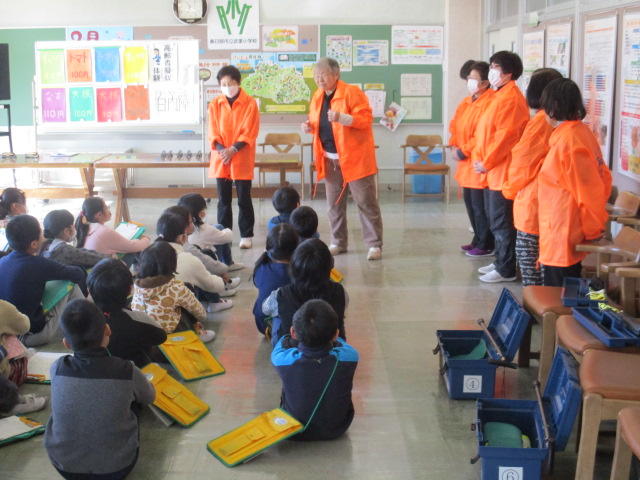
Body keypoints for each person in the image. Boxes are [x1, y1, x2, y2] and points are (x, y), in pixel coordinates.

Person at [44, 299, 155, 480]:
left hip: (65, 467)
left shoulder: (57, 368)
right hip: (118, 468)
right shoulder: (127, 370)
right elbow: (149, 397)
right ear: (107, 330)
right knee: (134, 402)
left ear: (66, 343)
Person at [303, 57, 383, 261]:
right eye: (316, 76)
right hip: (329, 159)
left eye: (323, 75)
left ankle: (374, 244)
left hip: (355, 158)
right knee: (334, 204)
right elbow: (318, 123)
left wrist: (342, 118)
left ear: (336, 74)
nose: (319, 79)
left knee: (365, 202)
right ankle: (338, 242)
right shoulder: (317, 95)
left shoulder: (351, 92)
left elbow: (365, 120)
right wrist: (309, 126)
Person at [537, 78, 612, 286]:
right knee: (564, 286)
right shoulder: (578, 133)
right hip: (560, 226)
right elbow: (603, 178)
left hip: (563, 229)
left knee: (559, 291)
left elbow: (589, 193)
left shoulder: (570, 141)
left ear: (554, 106)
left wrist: (592, 230)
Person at [502, 68, 563, 286]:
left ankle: (535, 304)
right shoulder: (553, 121)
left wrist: (508, 190)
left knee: (532, 267)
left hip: (534, 202)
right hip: (543, 203)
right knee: (540, 266)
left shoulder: (541, 122)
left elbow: (522, 162)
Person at [473, 51, 530, 283]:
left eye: (495, 66)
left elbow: (505, 138)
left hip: (502, 170)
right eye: (491, 66)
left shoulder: (511, 98)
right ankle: (500, 260)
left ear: (508, 72)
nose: (491, 70)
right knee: (495, 219)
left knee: (502, 222)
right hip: (492, 170)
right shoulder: (500, 94)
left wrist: (486, 162)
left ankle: (506, 268)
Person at [271, 299, 358, 441]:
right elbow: (342, 344)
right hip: (337, 428)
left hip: (294, 429)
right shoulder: (350, 357)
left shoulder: (282, 359)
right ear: (336, 334)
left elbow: (281, 344)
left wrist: (289, 338)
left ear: (293, 332)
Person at [0, 215, 86, 347]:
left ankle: (84, 326)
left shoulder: (3, 261)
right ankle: (88, 328)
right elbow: (76, 274)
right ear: (34, 244)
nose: (43, 235)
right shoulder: (37, 263)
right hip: (32, 336)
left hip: (7, 335)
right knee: (70, 285)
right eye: (41, 233)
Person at [208, 65, 260, 249]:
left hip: (241, 155)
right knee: (223, 200)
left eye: (230, 83)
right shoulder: (215, 104)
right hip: (221, 157)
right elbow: (213, 131)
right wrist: (223, 150)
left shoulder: (250, 103)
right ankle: (224, 234)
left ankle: (246, 235)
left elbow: (250, 131)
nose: (227, 87)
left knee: (244, 198)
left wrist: (233, 149)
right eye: (223, 84)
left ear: (238, 83)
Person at [448, 61, 495, 257]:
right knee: (470, 204)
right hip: (465, 165)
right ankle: (477, 239)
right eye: (469, 78)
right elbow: (455, 126)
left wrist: (464, 150)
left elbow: (483, 135)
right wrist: (454, 145)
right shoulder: (467, 102)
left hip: (477, 161)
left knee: (480, 207)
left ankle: (486, 243)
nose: (469, 82)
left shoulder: (490, 103)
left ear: (485, 82)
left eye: (473, 79)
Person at [263, 238, 347, 345]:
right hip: (331, 346)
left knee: (276, 316)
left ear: (293, 267)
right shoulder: (339, 291)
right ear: (330, 267)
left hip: (294, 348)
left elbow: (265, 309)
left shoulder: (282, 294)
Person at [87, 259, 167, 367]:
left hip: (99, 368)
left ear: (89, 290)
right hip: (135, 369)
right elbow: (161, 337)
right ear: (130, 290)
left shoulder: (82, 318)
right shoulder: (137, 319)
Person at [131, 241, 213, 342]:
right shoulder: (175, 287)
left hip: (145, 338)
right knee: (184, 299)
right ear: (171, 263)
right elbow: (201, 313)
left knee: (173, 303)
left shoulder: (137, 286)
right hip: (170, 337)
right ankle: (197, 332)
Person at [155, 210, 234, 314]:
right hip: (177, 316)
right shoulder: (186, 257)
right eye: (191, 221)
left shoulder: (151, 253)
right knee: (203, 270)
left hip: (150, 314)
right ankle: (215, 301)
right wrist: (223, 282)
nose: (193, 223)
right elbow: (210, 283)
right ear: (182, 237)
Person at [253, 223, 299, 335]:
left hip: (262, 323)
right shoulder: (299, 271)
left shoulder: (261, 265)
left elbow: (257, 283)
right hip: (286, 327)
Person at [178, 193, 243, 271]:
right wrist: (226, 230)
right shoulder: (204, 229)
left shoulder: (178, 228)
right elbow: (229, 237)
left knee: (216, 228)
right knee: (219, 228)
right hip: (208, 267)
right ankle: (228, 264)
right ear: (201, 213)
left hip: (189, 265)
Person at [75, 197, 150, 257]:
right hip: (108, 269)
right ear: (99, 215)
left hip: (96, 268)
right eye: (106, 207)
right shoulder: (103, 231)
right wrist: (146, 239)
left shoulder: (87, 226)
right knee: (137, 248)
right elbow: (133, 247)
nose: (109, 209)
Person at [41, 209, 109, 268]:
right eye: (73, 225)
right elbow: (97, 259)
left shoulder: (46, 247)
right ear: (67, 231)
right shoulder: (65, 250)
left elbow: (81, 252)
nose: (75, 228)